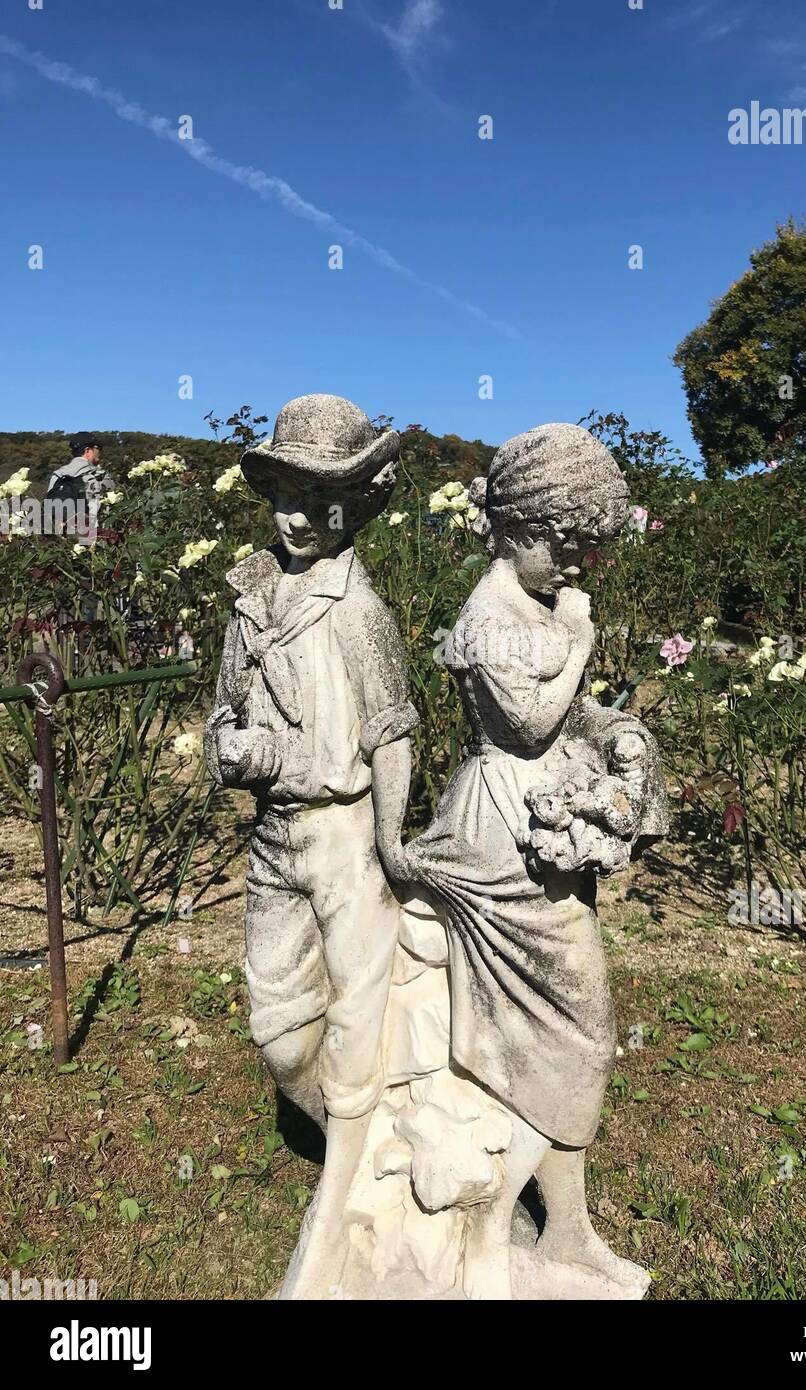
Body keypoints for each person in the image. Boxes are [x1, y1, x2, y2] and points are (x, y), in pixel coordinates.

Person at [391, 423, 667, 1298]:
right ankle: (492, 1217)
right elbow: (527, 725)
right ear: (513, 534)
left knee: (566, 1031)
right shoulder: (487, 612)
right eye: (562, 543)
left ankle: (566, 1233)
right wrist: (582, 637)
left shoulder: (537, 603)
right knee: (563, 1027)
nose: (577, 563)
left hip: (537, 824)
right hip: (502, 830)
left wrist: (615, 730)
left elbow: (566, 713)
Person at [204, 394, 418, 1298]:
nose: (296, 516)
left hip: (343, 840)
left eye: (317, 498)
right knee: (283, 1032)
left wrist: (394, 844)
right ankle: (359, 1154)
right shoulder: (251, 601)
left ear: (356, 505)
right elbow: (222, 712)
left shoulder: (359, 612)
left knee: (361, 1024)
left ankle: (354, 1194)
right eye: (283, 493)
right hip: (274, 844)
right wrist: (233, 746)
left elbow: (393, 731)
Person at [46, 435, 113, 504]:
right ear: (87, 451)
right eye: (99, 448)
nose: (100, 452)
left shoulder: (58, 474)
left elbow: (48, 503)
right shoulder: (101, 475)